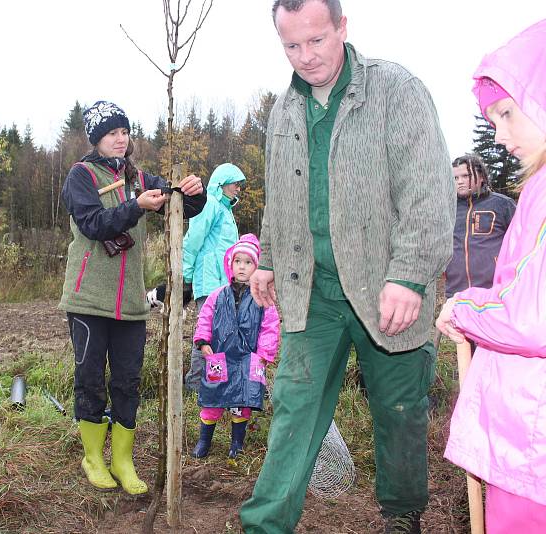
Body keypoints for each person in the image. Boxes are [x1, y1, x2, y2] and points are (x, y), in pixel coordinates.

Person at [240, 1, 454, 533]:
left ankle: (402, 516)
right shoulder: (285, 111)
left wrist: (408, 276)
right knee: (294, 406)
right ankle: (266, 525)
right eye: (291, 46)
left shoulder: (396, 90)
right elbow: (280, 196)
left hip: (388, 288)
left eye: (316, 41)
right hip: (313, 290)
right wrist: (266, 258)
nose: (305, 57)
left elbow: (429, 191)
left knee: (398, 410)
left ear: (342, 27)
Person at [58, 100, 206, 495]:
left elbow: (183, 204)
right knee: (91, 380)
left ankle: (123, 459)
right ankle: (93, 457)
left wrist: (195, 191)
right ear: (96, 139)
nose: (120, 139)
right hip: (89, 299)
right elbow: (93, 224)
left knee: (127, 381)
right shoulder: (81, 176)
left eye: (124, 132)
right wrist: (133, 206)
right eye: (111, 133)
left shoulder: (139, 176)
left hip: (132, 304)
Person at [436, 20, 546, 532]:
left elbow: (532, 316)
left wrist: (465, 307)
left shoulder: (522, 199)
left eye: (506, 112)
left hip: (532, 433)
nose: (499, 134)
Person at [189, 234, 280, 459]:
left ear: (257, 267)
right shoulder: (217, 295)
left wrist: (264, 354)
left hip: (248, 359)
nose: (242, 267)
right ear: (230, 264)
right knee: (212, 400)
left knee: (242, 402)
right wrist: (203, 342)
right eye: (238, 261)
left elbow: (270, 327)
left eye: (248, 262)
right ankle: (204, 441)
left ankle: (237, 443)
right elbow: (204, 318)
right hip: (219, 358)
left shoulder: (262, 298)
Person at [182, 162, 247, 391]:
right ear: (221, 184)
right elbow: (193, 240)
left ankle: (214, 383)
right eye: (235, 184)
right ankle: (194, 385)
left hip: (224, 283)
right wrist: (186, 277)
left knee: (222, 334)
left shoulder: (225, 210)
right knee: (206, 334)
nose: (238, 189)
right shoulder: (209, 204)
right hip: (209, 281)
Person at [445, 153, 516, 299]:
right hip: (455, 292)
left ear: (482, 176)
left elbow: (521, 243)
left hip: (495, 292)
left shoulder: (503, 204)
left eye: (466, 176)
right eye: (455, 178)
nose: (460, 182)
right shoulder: (447, 208)